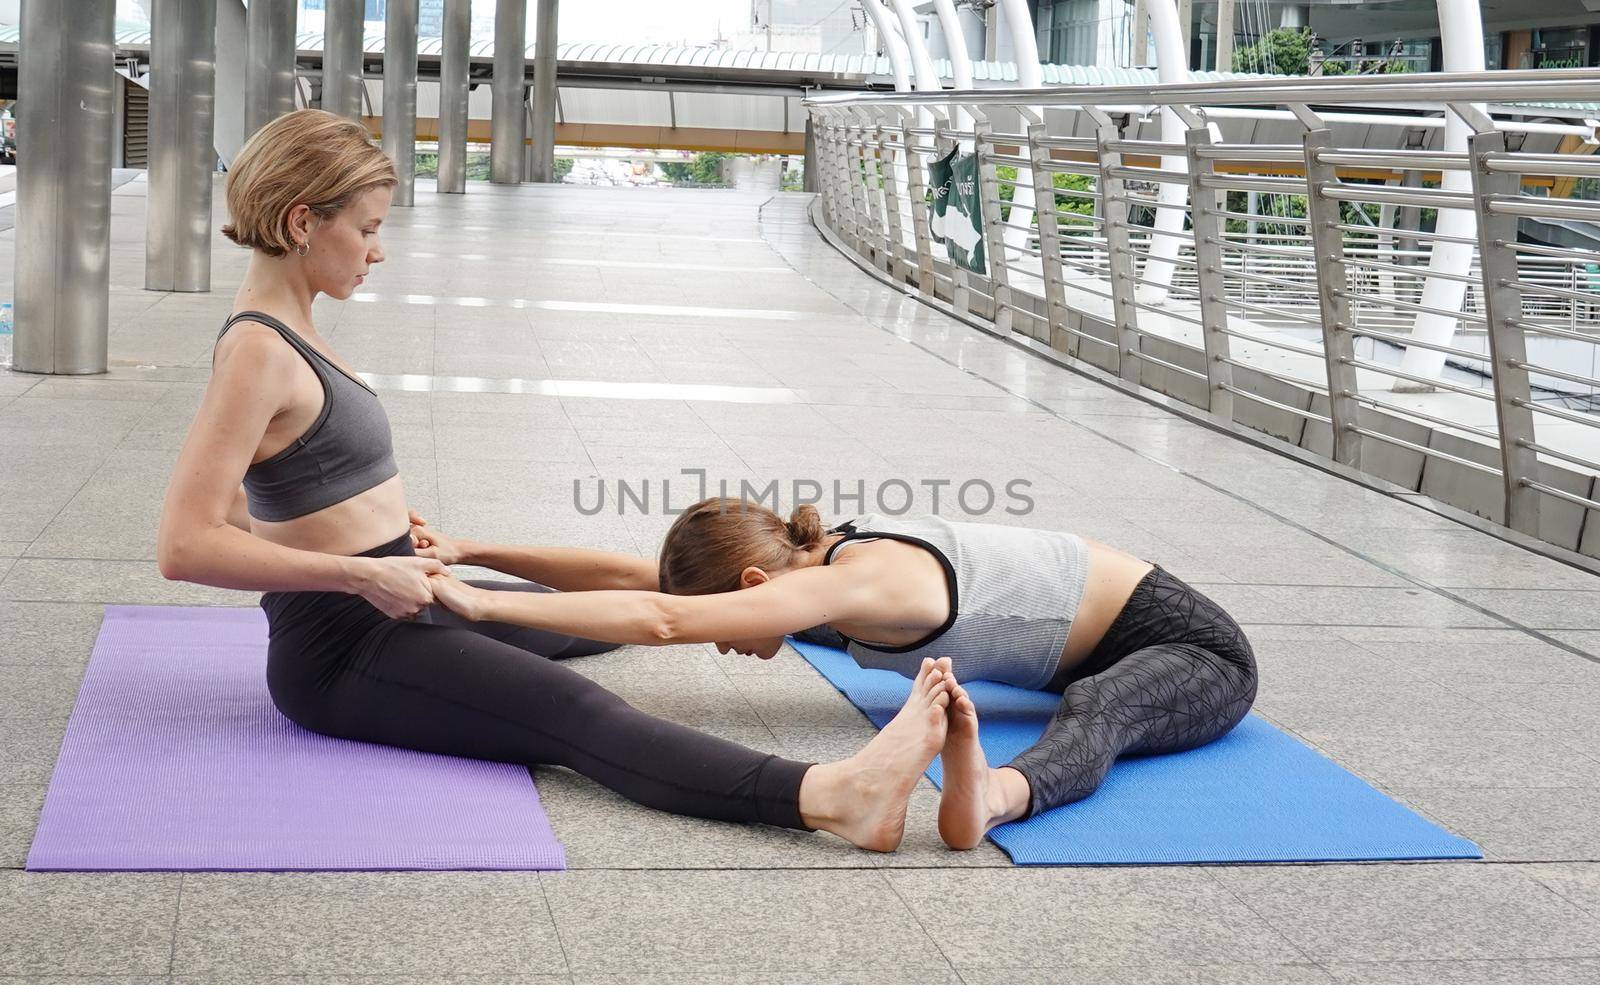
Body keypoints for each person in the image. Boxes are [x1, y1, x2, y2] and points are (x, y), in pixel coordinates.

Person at [155, 108, 955, 854]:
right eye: (366, 228)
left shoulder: (293, 329)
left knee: (572, 621)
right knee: (575, 716)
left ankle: (796, 611)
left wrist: (360, 532)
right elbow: (187, 544)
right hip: (345, 647)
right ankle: (832, 794)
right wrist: (354, 565)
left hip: (402, 594)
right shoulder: (260, 349)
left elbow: (242, 504)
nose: (377, 249)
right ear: (303, 221)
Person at [423, 496, 1259, 850]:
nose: (723, 644)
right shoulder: (804, 568)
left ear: (755, 586)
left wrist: (488, 608)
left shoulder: (855, 581)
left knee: (1100, 707)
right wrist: (472, 551)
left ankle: (995, 797)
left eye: (735, 621)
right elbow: (639, 580)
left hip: (1187, 650)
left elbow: (667, 618)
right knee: (801, 631)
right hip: (1082, 629)